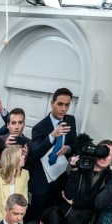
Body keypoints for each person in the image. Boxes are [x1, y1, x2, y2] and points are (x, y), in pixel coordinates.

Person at [26, 87, 77, 216]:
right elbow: (35, 152)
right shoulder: (39, 127)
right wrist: (52, 136)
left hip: (60, 182)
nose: (63, 109)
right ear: (52, 103)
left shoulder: (70, 120)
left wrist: (69, 148)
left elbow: (74, 143)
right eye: (60, 104)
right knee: (35, 218)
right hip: (41, 184)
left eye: (67, 105)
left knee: (53, 218)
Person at [0, 143, 30, 224]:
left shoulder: (25, 174)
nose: (24, 157)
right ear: (14, 158)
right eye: (22, 155)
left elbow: (25, 202)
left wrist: (16, 219)